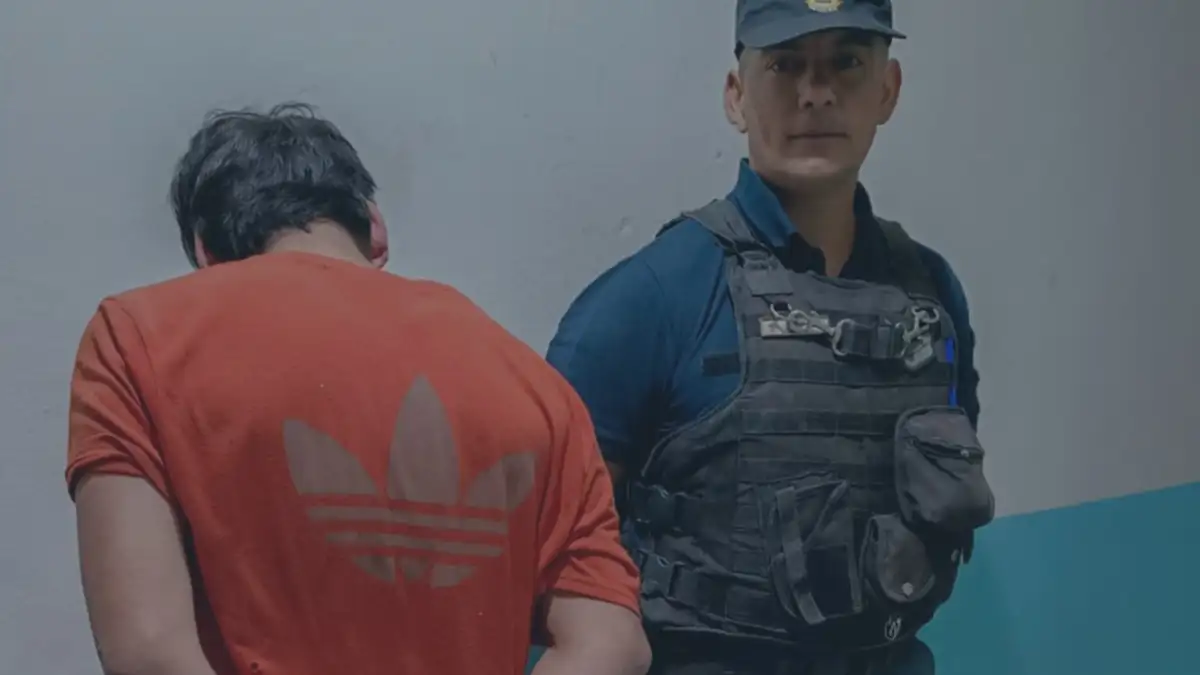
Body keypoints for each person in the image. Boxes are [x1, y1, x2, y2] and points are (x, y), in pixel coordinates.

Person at [65, 102, 651, 675]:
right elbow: (613, 646)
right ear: (375, 229)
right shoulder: (534, 384)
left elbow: (149, 651)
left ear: (205, 250)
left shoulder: (139, 338)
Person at [546, 1, 995, 674]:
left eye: (846, 62)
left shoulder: (931, 296)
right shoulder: (653, 298)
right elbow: (555, 553)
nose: (816, 92)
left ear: (888, 89)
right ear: (736, 95)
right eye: (785, 65)